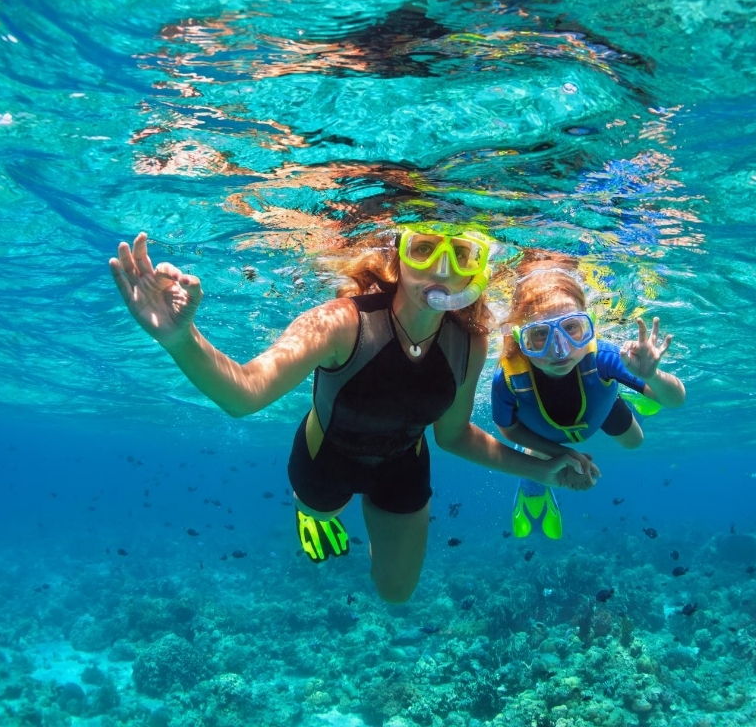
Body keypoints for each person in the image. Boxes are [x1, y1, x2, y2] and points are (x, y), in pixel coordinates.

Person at [108, 224, 593, 603]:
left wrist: (544, 469)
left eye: (461, 255)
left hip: (404, 464)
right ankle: (314, 514)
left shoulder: (471, 341)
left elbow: (454, 436)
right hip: (326, 459)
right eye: (424, 250)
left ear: (475, 270)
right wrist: (179, 339)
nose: (442, 270)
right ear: (398, 256)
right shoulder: (342, 321)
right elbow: (245, 394)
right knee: (321, 511)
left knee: (396, 593)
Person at [491, 259, 686, 539]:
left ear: (589, 325)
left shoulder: (604, 357)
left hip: (600, 408)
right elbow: (507, 429)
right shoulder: (508, 379)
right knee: (539, 457)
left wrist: (653, 377)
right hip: (542, 433)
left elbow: (676, 400)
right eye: (540, 335)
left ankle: (635, 393)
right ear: (521, 338)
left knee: (635, 442)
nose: (559, 350)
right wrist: (562, 454)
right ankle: (533, 487)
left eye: (571, 328)